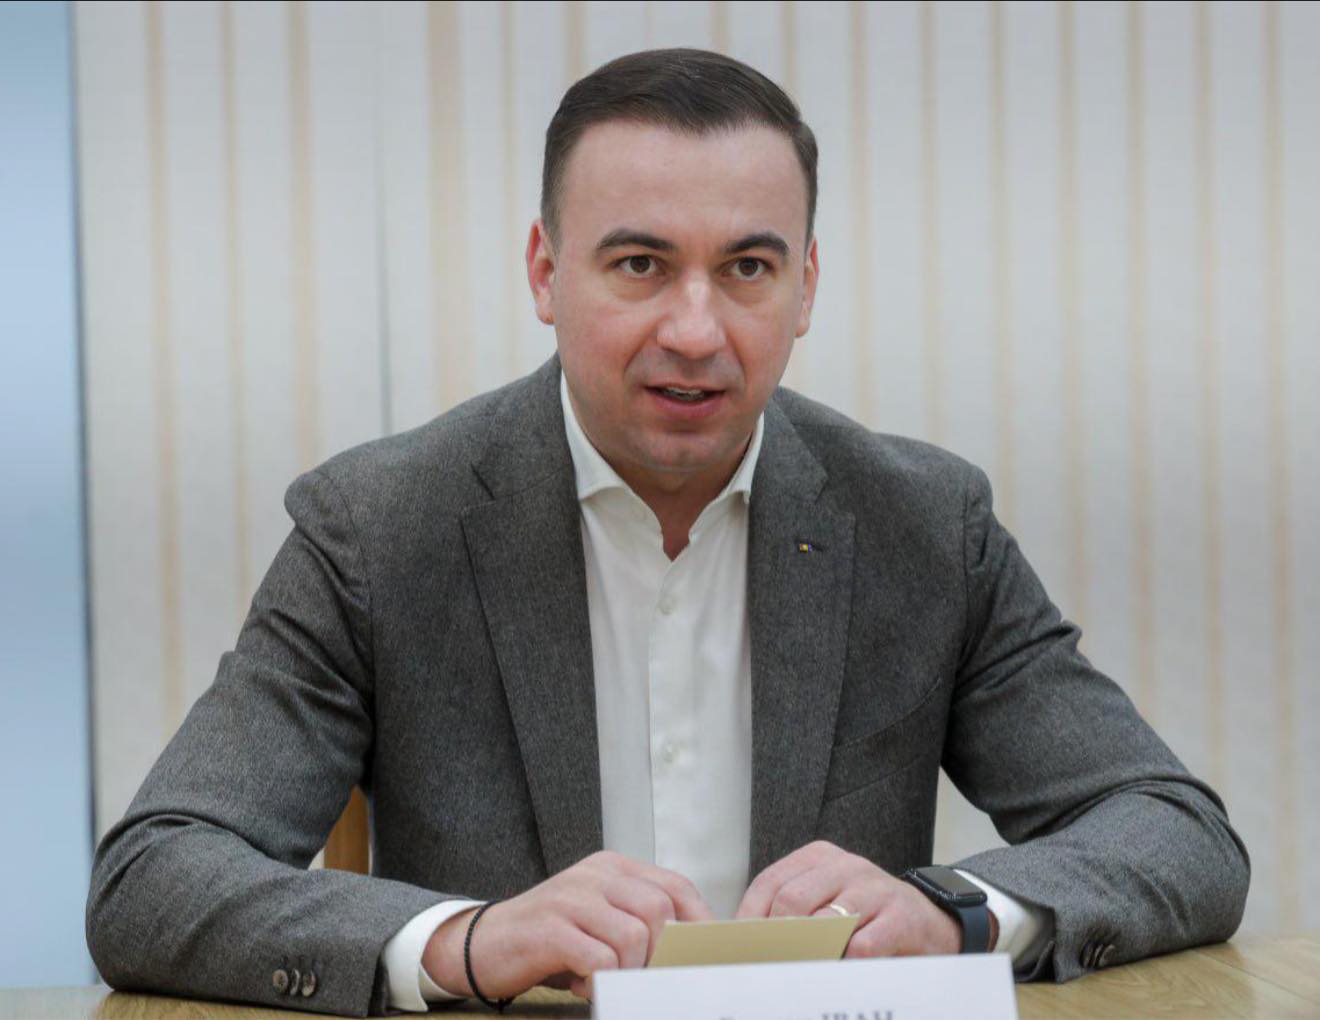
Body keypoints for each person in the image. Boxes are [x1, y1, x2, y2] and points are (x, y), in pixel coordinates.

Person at [86, 48, 1249, 1018]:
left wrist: (955, 912)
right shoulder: (381, 528)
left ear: (805, 288)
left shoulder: (923, 525)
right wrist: (467, 941)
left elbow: (1174, 833)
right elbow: (155, 876)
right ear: (546, 272)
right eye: (640, 264)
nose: (696, 330)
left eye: (747, 268)